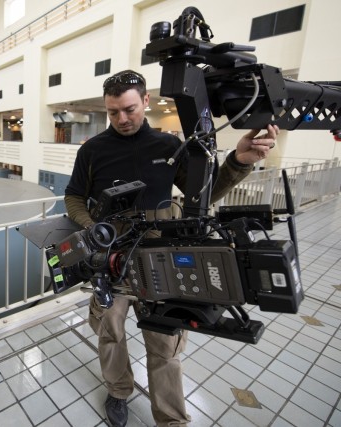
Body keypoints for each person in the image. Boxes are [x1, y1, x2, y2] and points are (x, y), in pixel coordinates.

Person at [63, 70, 279, 427]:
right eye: (113, 112)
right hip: (111, 259)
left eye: (129, 109)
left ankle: (171, 419)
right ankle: (118, 391)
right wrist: (92, 228)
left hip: (159, 258)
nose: (122, 119)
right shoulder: (92, 150)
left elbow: (203, 193)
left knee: (165, 344)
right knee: (109, 332)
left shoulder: (168, 147)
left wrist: (238, 162)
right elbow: (73, 196)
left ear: (146, 101)